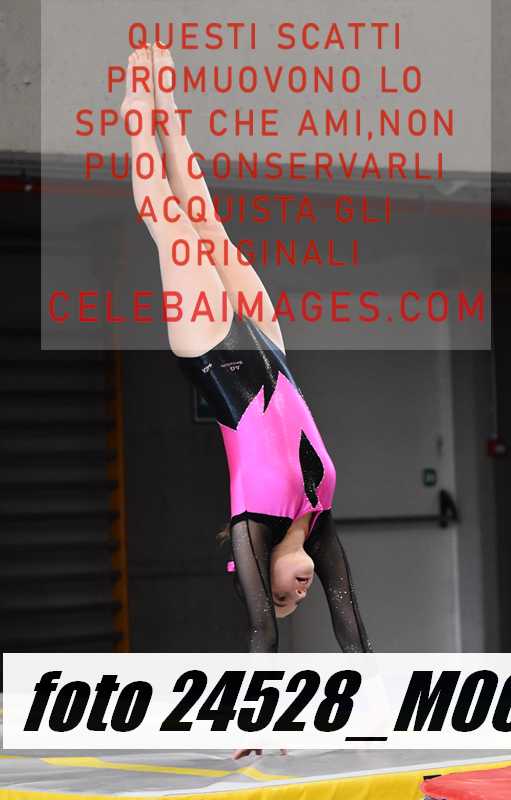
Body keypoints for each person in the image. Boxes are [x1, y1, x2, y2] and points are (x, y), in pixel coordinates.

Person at [121, 44, 372, 755]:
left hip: (214, 356)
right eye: (300, 596)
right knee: (207, 219)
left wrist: (255, 722)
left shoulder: (252, 525)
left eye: (287, 592)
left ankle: (137, 106)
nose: (301, 590)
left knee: (171, 223)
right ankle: (167, 99)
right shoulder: (318, 523)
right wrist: (374, 712)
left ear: (262, 576)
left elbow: (260, 633)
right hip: (271, 349)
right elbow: (351, 626)